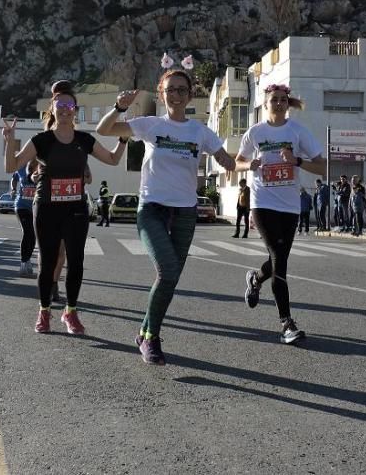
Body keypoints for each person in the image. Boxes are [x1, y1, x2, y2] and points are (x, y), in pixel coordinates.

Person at [97, 69, 235, 364]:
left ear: (189, 95)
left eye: (182, 90)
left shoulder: (200, 132)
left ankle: (145, 331)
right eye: (170, 89)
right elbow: (104, 130)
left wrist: (227, 160)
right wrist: (119, 108)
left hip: (185, 211)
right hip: (151, 209)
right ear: (161, 94)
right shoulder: (150, 125)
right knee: (168, 272)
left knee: (170, 278)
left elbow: (225, 157)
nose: (176, 95)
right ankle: (151, 339)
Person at [5, 80, 126, 336]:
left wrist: (124, 140)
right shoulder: (42, 140)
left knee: (77, 261)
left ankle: (70, 312)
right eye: (60, 104)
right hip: (47, 208)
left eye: (69, 104)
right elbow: (11, 165)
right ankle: (44, 311)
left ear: (75, 110)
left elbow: (113, 159)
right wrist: (10, 139)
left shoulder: (84, 139)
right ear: (53, 108)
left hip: (76, 209)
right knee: (48, 263)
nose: (65, 109)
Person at [234, 83, 325, 345]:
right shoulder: (255, 132)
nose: (278, 103)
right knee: (278, 257)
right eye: (273, 100)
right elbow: (237, 162)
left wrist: (295, 161)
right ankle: (286, 323)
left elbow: (321, 167)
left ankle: (255, 278)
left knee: (278, 258)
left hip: (289, 206)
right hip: (262, 203)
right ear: (265, 104)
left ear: (288, 104)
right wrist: (248, 164)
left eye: (283, 100)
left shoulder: (298, 132)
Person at [12, 162, 38, 277]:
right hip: (21, 205)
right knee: (27, 231)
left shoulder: (41, 167)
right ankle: (23, 263)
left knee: (33, 235)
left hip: (36, 206)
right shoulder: (20, 167)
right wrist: (13, 188)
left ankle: (27, 260)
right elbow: (14, 179)